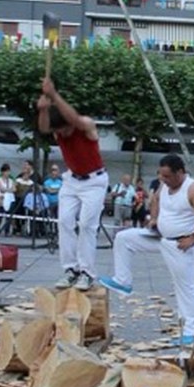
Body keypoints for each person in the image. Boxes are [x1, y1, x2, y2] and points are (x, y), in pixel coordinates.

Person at [99, 154, 194, 346]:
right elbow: (156, 199)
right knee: (124, 238)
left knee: (185, 288)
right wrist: (153, 219)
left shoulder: (193, 189)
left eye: (167, 176)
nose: (164, 180)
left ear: (180, 172)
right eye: (161, 176)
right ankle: (123, 280)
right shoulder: (164, 185)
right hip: (160, 236)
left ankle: (192, 333)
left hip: (180, 244)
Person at [37, 78, 109, 291]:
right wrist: (42, 109)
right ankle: (71, 269)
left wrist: (54, 94)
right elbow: (43, 129)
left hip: (94, 181)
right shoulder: (59, 130)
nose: (63, 135)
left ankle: (87, 272)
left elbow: (76, 120)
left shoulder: (84, 125)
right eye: (59, 132)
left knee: (87, 225)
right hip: (72, 180)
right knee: (65, 221)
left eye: (66, 130)